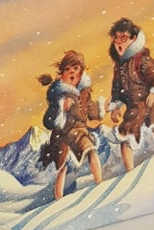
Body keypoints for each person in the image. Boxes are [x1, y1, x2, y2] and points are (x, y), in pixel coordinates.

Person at [107, 17, 154, 172]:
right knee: (126, 137)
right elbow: (117, 86)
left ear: (133, 38)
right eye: (116, 38)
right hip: (134, 106)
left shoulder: (141, 60)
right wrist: (116, 106)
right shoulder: (119, 66)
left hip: (150, 102)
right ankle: (129, 172)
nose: (119, 42)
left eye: (123, 38)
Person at [37, 49, 105, 200]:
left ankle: (99, 182)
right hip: (62, 135)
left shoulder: (84, 94)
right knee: (62, 166)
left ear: (81, 72)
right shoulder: (58, 95)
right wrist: (61, 108)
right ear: (62, 74)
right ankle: (58, 198)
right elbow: (48, 121)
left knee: (91, 150)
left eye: (75, 68)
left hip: (79, 132)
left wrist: (101, 108)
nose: (71, 72)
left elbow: (91, 111)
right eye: (67, 69)